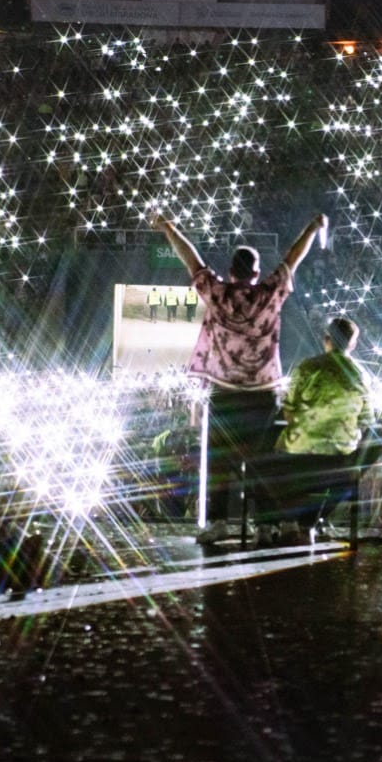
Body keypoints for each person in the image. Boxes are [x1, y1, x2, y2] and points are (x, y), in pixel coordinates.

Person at [156, 212, 328, 544]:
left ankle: (219, 523)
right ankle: (265, 526)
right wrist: (310, 228)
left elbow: (191, 259)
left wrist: (169, 228)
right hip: (263, 394)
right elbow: (293, 259)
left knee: (220, 462)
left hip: (224, 391)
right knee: (262, 463)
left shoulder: (217, 294)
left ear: (231, 271)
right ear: (256, 272)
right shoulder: (269, 295)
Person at [254, 316, 376, 543]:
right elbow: (367, 418)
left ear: (326, 339)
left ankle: (268, 525)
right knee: (344, 476)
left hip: (300, 449)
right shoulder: (361, 376)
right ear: (353, 343)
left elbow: (288, 410)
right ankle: (309, 523)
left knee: (263, 463)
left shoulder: (307, 367)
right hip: (339, 454)